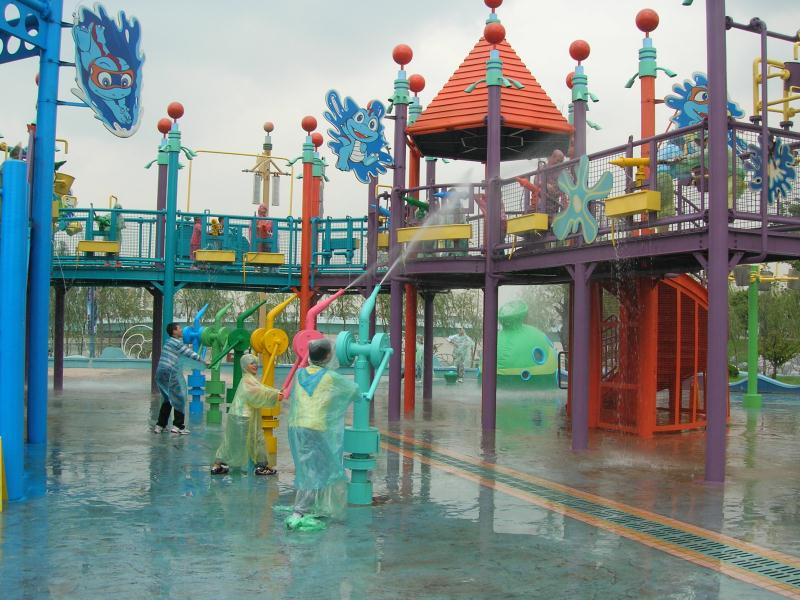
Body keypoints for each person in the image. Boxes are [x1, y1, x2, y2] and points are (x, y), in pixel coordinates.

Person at [285, 338, 359, 532]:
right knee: (319, 470)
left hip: (296, 427)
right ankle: (300, 511)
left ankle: (309, 506)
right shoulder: (330, 377)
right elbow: (354, 391)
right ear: (328, 356)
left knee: (307, 468)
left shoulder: (299, 374)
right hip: (316, 428)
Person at [212, 353, 282, 476]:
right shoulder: (248, 380)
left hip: (237, 415)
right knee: (257, 440)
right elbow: (258, 393)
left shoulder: (247, 379)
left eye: (256, 363)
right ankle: (261, 466)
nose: (255, 365)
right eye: (251, 363)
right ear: (245, 365)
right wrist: (276, 395)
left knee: (232, 441)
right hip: (244, 417)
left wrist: (275, 393)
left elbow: (261, 390)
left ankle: (218, 464)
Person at [154, 322, 209, 435]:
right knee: (180, 398)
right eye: (179, 329)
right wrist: (203, 361)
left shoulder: (168, 342)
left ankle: (160, 425)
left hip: (160, 373)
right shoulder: (176, 343)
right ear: (174, 331)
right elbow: (189, 353)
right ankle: (178, 426)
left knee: (168, 398)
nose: (181, 331)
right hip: (170, 373)